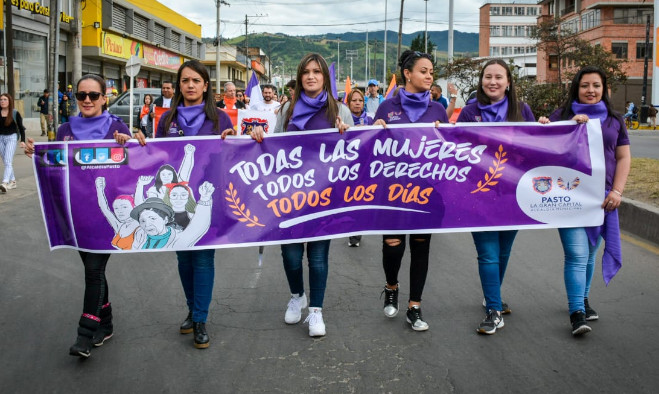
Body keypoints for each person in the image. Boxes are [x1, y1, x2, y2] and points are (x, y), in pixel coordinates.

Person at [24, 74, 143, 358]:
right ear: (76, 98)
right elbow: (57, 164)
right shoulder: (65, 129)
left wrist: (130, 143)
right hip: (75, 215)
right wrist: (36, 153)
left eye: (93, 95)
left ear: (104, 98)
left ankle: (85, 335)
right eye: (81, 96)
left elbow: (134, 165)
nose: (87, 100)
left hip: (106, 212)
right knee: (95, 272)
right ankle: (107, 322)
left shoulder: (117, 127)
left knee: (93, 270)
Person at [239, 53, 353, 337]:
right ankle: (296, 296)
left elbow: (356, 154)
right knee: (290, 255)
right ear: (300, 77)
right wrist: (257, 135)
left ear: (325, 76)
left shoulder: (339, 109)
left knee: (317, 257)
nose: (311, 76)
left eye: (317, 71)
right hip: (288, 196)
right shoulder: (286, 109)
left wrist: (347, 133)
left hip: (324, 198)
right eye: (306, 72)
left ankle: (316, 311)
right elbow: (272, 146)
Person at [539, 66, 631, 336]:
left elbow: (623, 157)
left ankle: (584, 299)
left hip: (602, 199)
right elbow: (542, 147)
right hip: (568, 196)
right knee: (577, 254)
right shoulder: (563, 116)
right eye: (584, 85)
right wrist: (550, 127)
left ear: (605, 89)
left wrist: (617, 191)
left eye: (596, 85)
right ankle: (577, 312)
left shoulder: (615, 120)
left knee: (591, 251)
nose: (590, 90)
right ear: (576, 88)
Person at [155, 59, 234, 349]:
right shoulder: (166, 119)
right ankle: (191, 309)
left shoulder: (221, 118)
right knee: (183, 258)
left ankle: (200, 319)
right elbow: (156, 158)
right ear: (179, 84)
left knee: (202, 258)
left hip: (207, 200)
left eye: (195, 81)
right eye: (185, 80)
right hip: (175, 202)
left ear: (205, 85)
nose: (190, 85)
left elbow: (232, 156)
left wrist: (235, 141)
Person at [456, 58, 536, 335]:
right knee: (488, 254)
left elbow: (538, 148)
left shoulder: (522, 110)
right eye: (487, 77)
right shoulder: (468, 112)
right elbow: (457, 151)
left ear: (508, 82)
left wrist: (546, 127)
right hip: (479, 194)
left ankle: (492, 297)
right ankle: (493, 310)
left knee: (503, 251)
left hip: (515, 195)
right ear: (481, 81)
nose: (492, 82)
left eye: (498, 77)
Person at [372, 50, 449, 332]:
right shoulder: (386, 107)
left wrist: (446, 134)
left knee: (420, 246)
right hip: (391, 192)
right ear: (407, 73)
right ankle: (391, 286)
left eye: (431, 72)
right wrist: (375, 129)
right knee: (393, 245)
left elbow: (449, 152)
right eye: (424, 71)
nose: (429, 76)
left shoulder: (438, 109)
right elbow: (370, 149)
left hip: (425, 191)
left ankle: (414, 306)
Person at [344, 88, 373, 247]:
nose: (357, 103)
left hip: (365, 167)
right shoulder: (342, 120)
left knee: (360, 201)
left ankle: (355, 234)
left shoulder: (370, 120)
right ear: (348, 103)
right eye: (354, 100)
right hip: (347, 168)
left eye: (360, 100)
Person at [0, 94, 26, 193]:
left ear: (9, 101)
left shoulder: (15, 113)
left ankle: (5, 183)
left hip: (11, 137)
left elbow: (21, 128)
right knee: (6, 161)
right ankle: (13, 181)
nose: (2, 101)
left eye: (5, 99)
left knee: (8, 160)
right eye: (1, 99)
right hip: (0, 138)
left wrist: (22, 141)